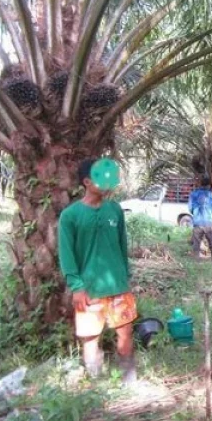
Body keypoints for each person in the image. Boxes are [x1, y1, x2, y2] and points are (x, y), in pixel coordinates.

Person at [58, 159, 136, 383]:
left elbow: (122, 245)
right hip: (89, 290)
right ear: (87, 182)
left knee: (125, 334)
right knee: (91, 339)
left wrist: (125, 276)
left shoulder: (115, 210)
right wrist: (76, 287)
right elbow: (66, 254)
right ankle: (95, 385)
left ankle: (128, 380)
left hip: (118, 287)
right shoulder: (70, 216)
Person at [189, 175, 212, 260]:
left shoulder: (193, 194)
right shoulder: (211, 195)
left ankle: (196, 259)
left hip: (197, 222)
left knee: (196, 242)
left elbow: (190, 208)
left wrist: (196, 212)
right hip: (208, 221)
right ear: (209, 185)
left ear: (201, 184)